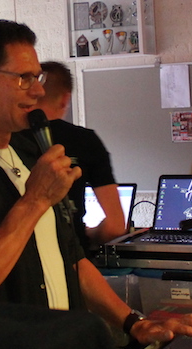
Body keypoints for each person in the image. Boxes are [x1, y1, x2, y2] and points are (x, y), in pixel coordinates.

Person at [0, 19, 192, 346]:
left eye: (38, 77)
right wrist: (34, 201)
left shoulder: (30, 151)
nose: (38, 91)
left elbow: (71, 258)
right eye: (23, 78)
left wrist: (134, 323)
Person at [28, 61, 126, 256]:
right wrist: (89, 235)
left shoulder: (7, 138)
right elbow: (115, 227)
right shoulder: (86, 141)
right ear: (65, 99)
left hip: (18, 258)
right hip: (73, 257)